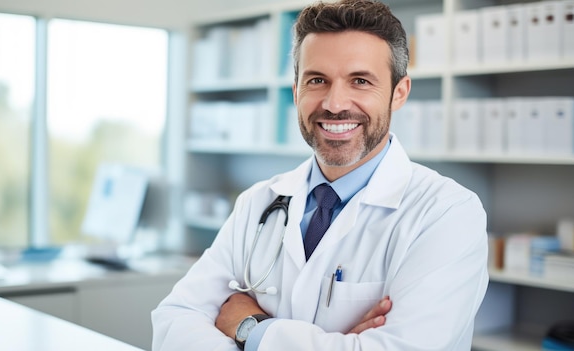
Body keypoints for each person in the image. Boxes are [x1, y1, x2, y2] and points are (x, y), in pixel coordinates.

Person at [152, 0, 489, 350]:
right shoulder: (259, 202)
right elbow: (175, 320)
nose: (334, 103)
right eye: (317, 80)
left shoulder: (446, 213)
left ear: (398, 93)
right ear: (296, 91)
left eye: (360, 81)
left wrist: (251, 328)